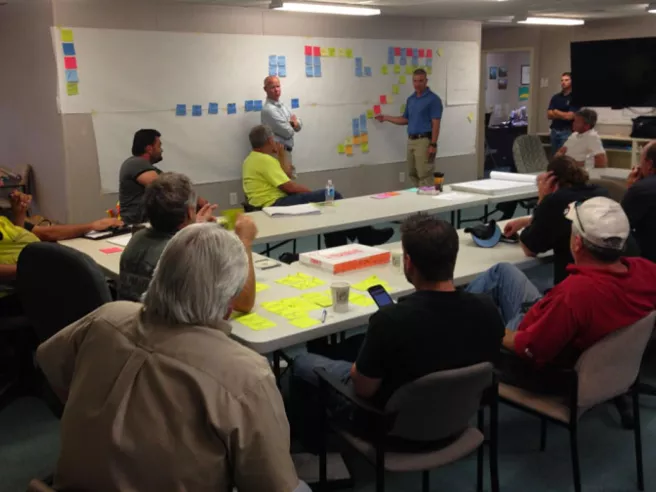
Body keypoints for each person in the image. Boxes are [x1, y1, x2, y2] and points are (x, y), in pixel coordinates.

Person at [36, 223, 308, 492]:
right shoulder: (245, 375)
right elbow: (273, 485)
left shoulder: (106, 317)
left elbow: (48, 362)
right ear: (229, 305)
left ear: (160, 274)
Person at [292, 215, 504, 427]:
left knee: (303, 362)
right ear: (453, 258)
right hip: (458, 420)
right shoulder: (487, 309)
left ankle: (311, 442)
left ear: (408, 262)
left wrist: (357, 368)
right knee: (358, 344)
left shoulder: (390, 321)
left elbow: (363, 388)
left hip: (392, 431)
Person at [467, 197, 656, 379]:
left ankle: (451, 325)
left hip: (544, 368)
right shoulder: (646, 270)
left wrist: (493, 330)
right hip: (608, 362)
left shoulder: (575, 294)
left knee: (478, 319)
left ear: (577, 243)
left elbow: (531, 350)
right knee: (503, 271)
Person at [118, 172, 256, 312]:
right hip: (172, 332)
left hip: (138, 324)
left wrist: (195, 227)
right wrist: (244, 240)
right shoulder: (186, 253)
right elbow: (243, 303)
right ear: (190, 212)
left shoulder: (138, 237)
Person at [242, 125, 393, 247]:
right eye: (273, 140)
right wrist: (311, 193)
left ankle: (340, 242)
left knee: (327, 205)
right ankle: (365, 235)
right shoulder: (265, 160)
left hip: (262, 205)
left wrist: (281, 155)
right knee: (332, 195)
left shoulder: (250, 160)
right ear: (270, 140)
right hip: (275, 204)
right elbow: (289, 187)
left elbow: (285, 175)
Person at [1, 192, 122, 315]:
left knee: (106, 289)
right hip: (22, 292)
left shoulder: (4, 220)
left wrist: (19, 213)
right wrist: (38, 270)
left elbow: (42, 233)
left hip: (41, 280)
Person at [503, 156, 609, 285]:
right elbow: (563, 220)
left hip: (570, 284)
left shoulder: (555, 201)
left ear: (551, 181)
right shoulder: (601, 192)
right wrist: (524, 221)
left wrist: (542, 200)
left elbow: (529, 248)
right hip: (605, 279)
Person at [119, 129, 208, 225]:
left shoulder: (147, 167)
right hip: (138, 225)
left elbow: (173, 184)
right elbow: (166, 188)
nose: (161, 150)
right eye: (159, 146)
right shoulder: (136, 163)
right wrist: (196, 200)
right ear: (149, 149)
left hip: (147, 223)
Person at [375, 69, 443, 187]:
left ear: (426, 81)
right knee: (412, 173)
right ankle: (418, 199)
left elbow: (436, 123)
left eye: (421, 81)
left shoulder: (433, 100)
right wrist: (385, 117)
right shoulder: (411, 99)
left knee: (424, 174)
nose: (417, 84)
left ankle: (428, 201)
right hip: (411, 140)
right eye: (415, 81)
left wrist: (433, 144)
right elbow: (405, 119)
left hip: (424, 141)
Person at [622, 141, 656, 263]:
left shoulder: (641, 189)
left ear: (650, 164)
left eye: (641, 161)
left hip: (648, 263)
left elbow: (621, 224)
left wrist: (631, 189)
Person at [261, 75, 301, 177]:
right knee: (285, 187)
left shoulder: (283, 105)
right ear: (265, 89)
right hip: (278, 154)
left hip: (286, 151)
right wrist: (293, 123)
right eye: (273, 87)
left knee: (289, 181)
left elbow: (299, 125)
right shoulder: (269, 110)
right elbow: (288, 132)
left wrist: (294, 124)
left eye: (278, 86)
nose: (276, 90)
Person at [547, 72, 577, 153]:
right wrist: (562, 114)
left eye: (566, 80)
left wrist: (556, 111)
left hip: (567, 132)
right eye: (562, 80)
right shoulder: (556, 97)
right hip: (554, 131)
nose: (563, 82)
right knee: (555, 158)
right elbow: (549, 115)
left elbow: (570, 116)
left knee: (564, 159)